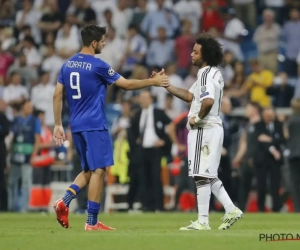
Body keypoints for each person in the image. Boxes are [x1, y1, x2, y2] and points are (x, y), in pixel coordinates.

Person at [52, 24, 169, 231]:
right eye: (103, 41)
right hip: (95, 125)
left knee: (88, 170)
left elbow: (57, 95)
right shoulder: (98, 65)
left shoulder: (67, 65)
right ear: (94, 42)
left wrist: (58, 124)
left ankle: (65, 201)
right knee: (99, 171)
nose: (105, 44)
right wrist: (154, 82)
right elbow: (126, 85)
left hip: (76, 126)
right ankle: (91, 222)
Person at [152, 33, 243, 230]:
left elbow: (208, 102)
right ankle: (230, 209)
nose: (191, 55)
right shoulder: (212, 73)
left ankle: (204, 221)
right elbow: (190, 96)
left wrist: (197, 118)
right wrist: (166, 84)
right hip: (212, 128)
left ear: (206, 54)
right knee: (206, 175)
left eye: (195, 52)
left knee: (201, 174)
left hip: (205, 128)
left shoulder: (205, 74)